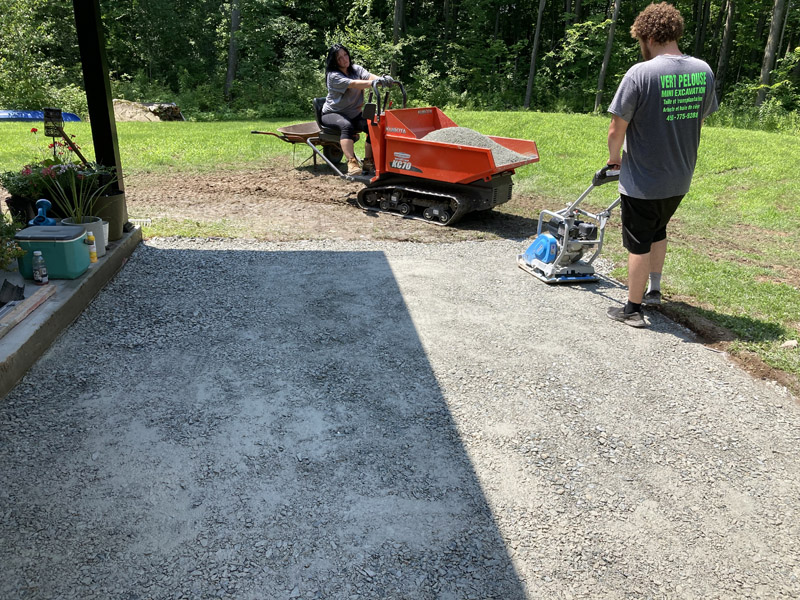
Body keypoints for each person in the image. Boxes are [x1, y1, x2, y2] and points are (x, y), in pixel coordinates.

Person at [605, 2, 718, 328]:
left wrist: (615, 160)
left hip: (642, 181)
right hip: (679, 179)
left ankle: (632, 309)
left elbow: (616, 129)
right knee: (659, 229)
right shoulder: (703, 71)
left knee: (638, 242)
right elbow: (699, 115)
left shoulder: (640, 73)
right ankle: (654, 290)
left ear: (648, 36)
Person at [322, 44, 393, 176]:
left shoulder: (355, 69)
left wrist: (382, 80)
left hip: (353, 113)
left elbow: (369, 77)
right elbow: (353, 84)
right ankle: (352, 162)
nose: (344, 59)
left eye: (345, 55)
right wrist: (374, 83)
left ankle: (368, 161)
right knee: (346, 126)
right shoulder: (333, 76)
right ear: (334, 61)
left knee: (374, 126)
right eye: (340, 58)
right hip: (333, 113)